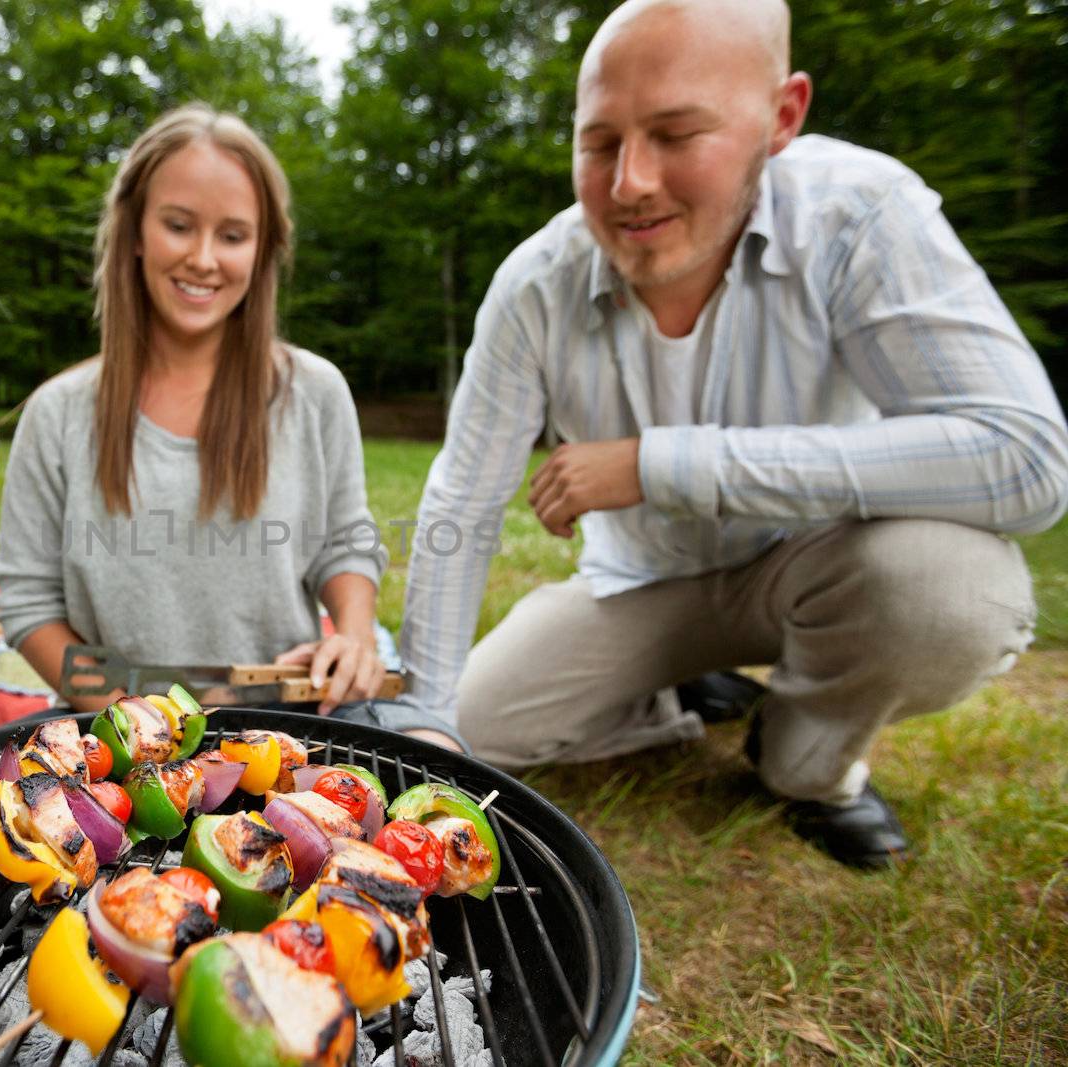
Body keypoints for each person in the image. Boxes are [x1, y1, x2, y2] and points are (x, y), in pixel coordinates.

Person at [398, 0, 1068, 867]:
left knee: (955, 590)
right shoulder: (535, 284)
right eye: (599, 143)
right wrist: (423, 719)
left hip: (823, 566)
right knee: (473, 720)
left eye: (676, 135)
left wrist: (665, 463)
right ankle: (676, 692)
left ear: (782, 115)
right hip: (640, 584)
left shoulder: (860, 215)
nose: (630, 181)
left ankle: (806, 758)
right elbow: (463, 499)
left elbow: (1024, 458)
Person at [0, 104, 462, 749]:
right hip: (116, 727)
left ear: (264, 249)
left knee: (441, 756)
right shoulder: (57, 413)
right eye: (179, 226)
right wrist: (142, 718)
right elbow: (28, 606)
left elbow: (345, 546)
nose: (204, 258)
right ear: (135, 231)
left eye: (233, 235)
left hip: (299, 715)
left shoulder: (315, 391)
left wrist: (353, 635)